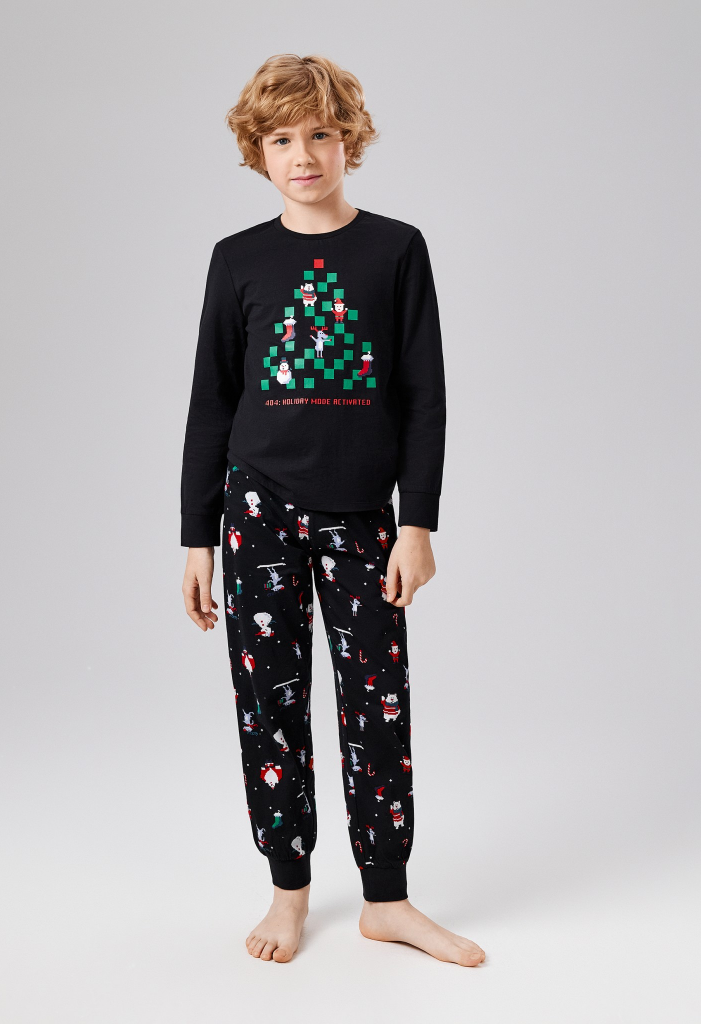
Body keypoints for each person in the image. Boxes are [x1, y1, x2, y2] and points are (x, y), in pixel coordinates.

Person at [180, 53, 485, 968]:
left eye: (320, 134)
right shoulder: (237, 259)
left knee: (376, 706)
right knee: (268, 706)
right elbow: (211, 402)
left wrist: (417, 523)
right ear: (257, 153)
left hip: (362, 517)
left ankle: (387, 900)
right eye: (281, 139)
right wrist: (197, 537)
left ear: (350, 140)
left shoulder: (396, 250)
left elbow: (425, 396)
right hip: (256, 511)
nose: (303, 155)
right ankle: (289, 890)